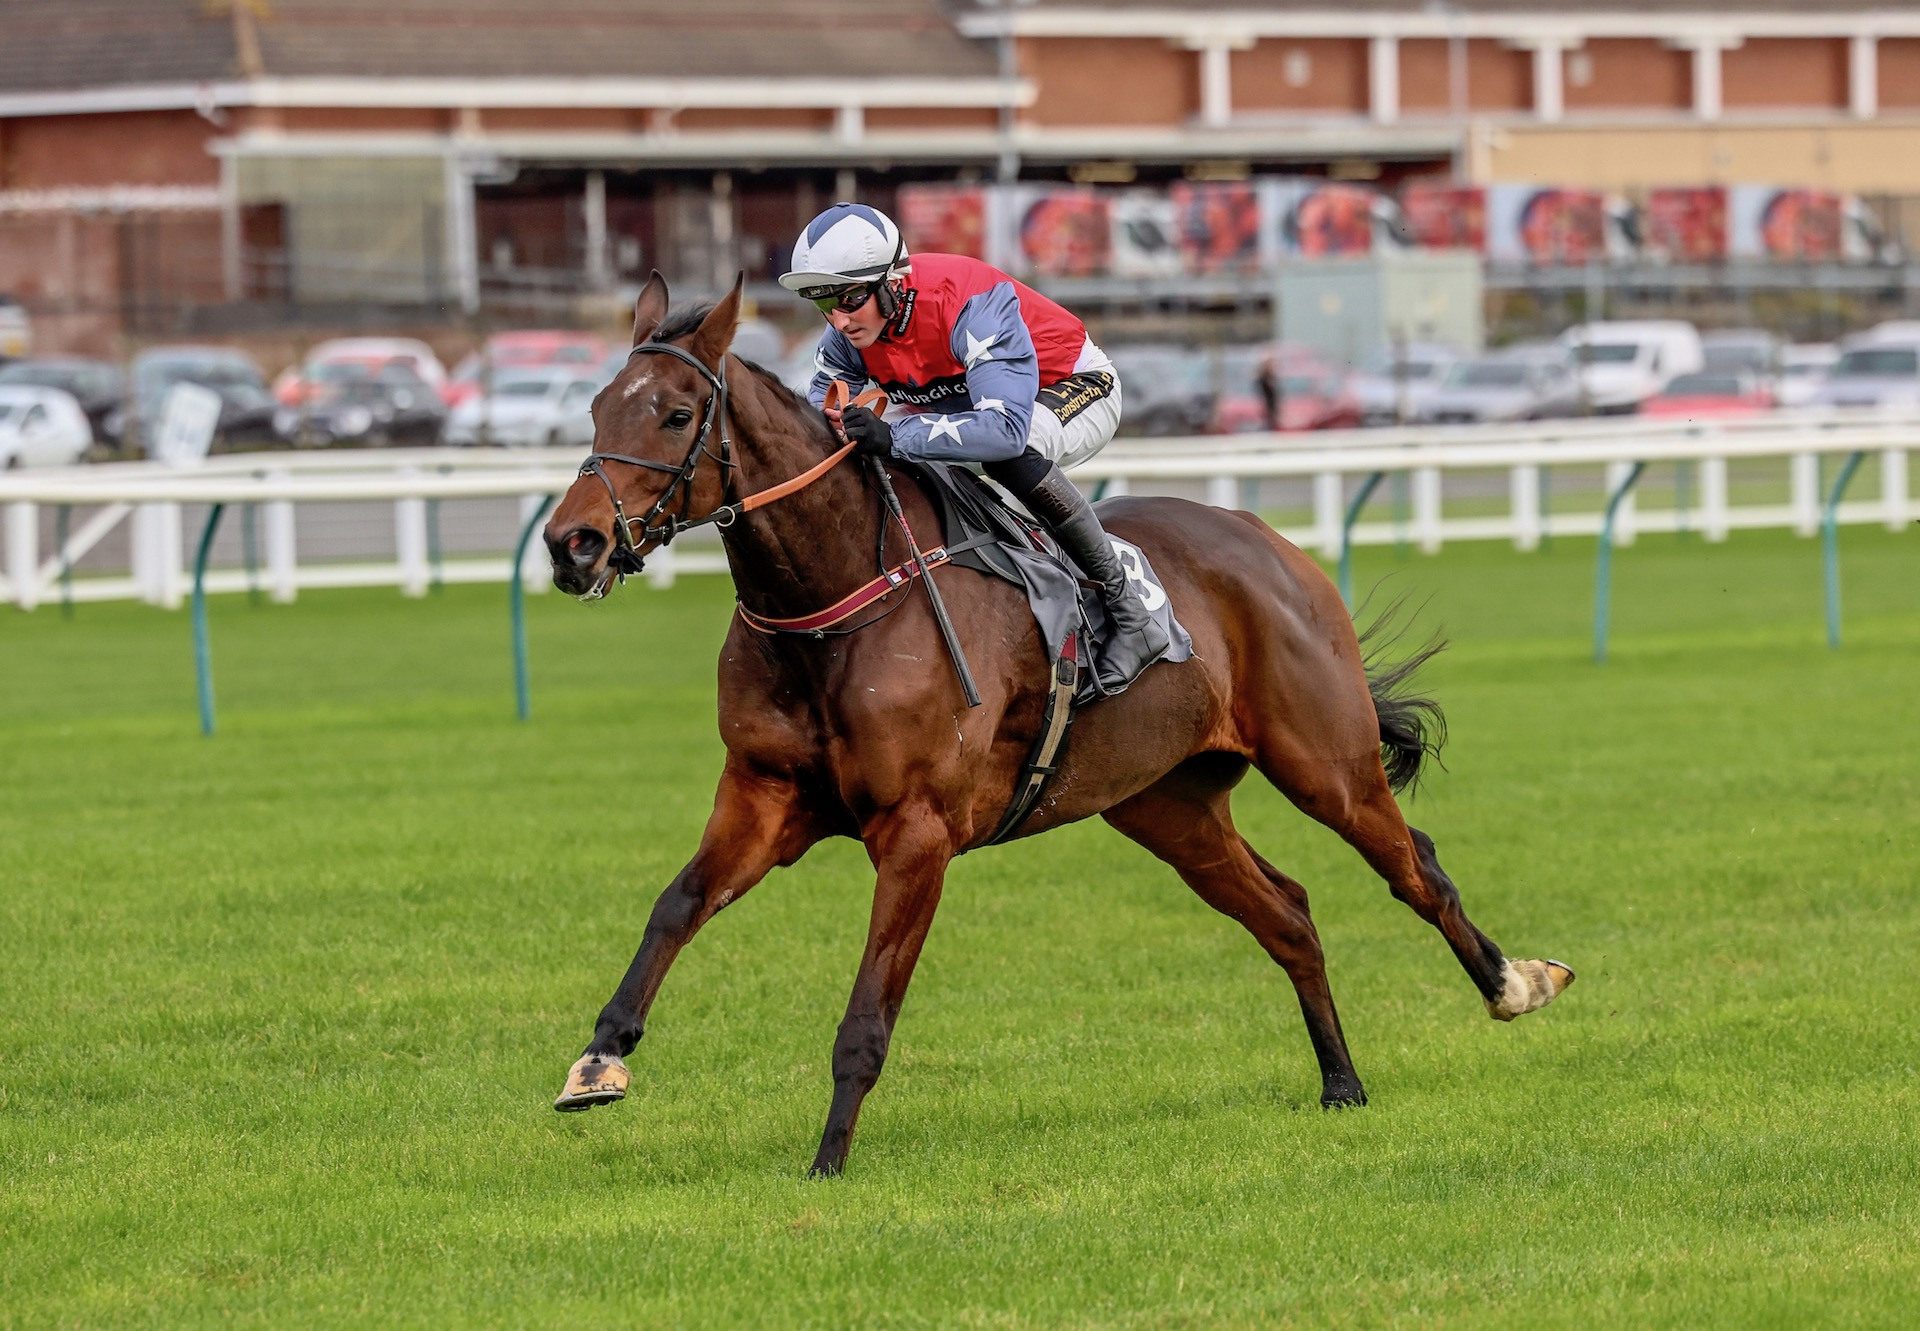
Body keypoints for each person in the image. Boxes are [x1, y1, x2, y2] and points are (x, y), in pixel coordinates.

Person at [778, 202, 1170, 685]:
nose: (838, 321)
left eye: (849, 300)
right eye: (824, 304)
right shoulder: (852, 326)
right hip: (968, 405)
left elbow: (1002, 430)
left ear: (892, 282)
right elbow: (818, 404)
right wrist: (837, 419)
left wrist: (894, 435)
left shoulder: (971, 304)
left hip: (1072, 386)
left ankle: (1129, 611)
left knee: (1004, 452)